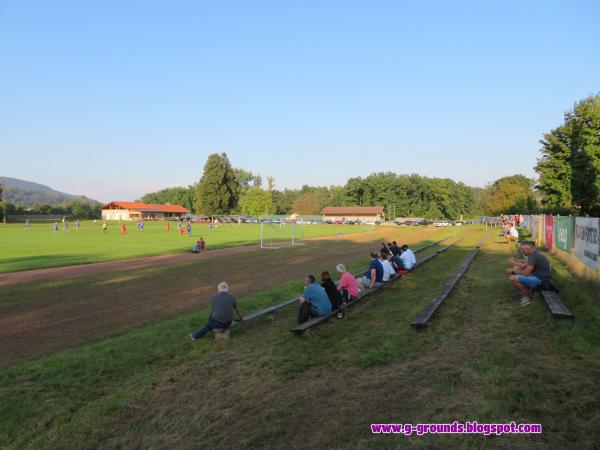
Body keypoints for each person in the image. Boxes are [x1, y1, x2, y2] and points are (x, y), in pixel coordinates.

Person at [506, 241, 553, 306]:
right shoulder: (534, 254)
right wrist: (515, 268)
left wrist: (513, 271)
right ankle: (524, 293)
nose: (522, 252)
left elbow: (525, 273)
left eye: (522, 250)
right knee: (517, 270)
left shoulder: (534, 256)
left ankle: (528, 297)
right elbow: (525, 267)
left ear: (527, 249)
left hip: (542, 281)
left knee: (513, 278)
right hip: (542, 278)